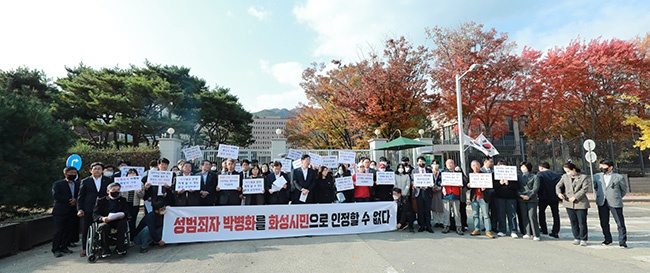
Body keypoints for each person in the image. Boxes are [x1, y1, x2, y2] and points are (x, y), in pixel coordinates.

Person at [77, 162, 112, 257]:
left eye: (99, 168)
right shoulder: (85, 181)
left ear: (102, 171)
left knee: (103, 227)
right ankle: (85, 248)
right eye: (95, 168)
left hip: (103, 208)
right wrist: (80, 209)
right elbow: (80, 197)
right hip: (88, 208)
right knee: (85, 229)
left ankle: (104, 246)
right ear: (91, 171)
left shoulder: (108, 180)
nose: (97, 170)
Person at [593, 159, 628, 248]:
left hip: (615, 201)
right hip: (602, 201)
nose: (601, 168)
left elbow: (623, 190)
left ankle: (622, 241)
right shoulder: (597, 176)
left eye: (603, 166)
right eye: (600, 166)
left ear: (610, 167)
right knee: (604, 221)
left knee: (620, 222)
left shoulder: (618, 177)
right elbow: (596, 188)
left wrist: (616, 196)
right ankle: (607, 239)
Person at [556, 162, 590, 246]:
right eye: (566, 171)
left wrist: (575, 197)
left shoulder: (583, 177)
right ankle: (576, 237)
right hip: (568, 202)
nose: (567, 173)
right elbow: (558, 186)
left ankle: (583, 238)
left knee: (582, 222)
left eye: (568, 171)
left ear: (573, 169)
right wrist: (559, 193)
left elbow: (584, 189)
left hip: (580, 203)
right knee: (573, 221)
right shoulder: (564, 177)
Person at [93, 182, 130, 257]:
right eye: (113, 190)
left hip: (118, 220)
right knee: (104, 227)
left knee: (122, 224)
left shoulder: (122, 200)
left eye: (118, 190)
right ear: (108, 191)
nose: (116, 192)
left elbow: (127, 211)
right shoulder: (101, 201)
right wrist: (102, 218)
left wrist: (123, 214)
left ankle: (120, 247)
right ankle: (105, 249)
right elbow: (95, 214)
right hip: (106, 220)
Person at [51, 167, 80, 257]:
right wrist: (69, 200)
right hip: (61, 210)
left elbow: (80, 194)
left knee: (69, 230)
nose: (73, 174)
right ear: (65, 174)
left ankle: (64, 246)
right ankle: (56, 249)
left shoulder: (78, 184)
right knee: (59, 230)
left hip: (73, 210)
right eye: (71, 172)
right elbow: (56, 195)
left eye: (74, 173)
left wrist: (76, 201)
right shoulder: (58, 184)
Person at [493, 160, 519, 238]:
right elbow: (493, 185)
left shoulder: (512, 174)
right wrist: (499, 183)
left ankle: (513, 230)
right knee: (501, 214)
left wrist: (509, 184)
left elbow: (517, 185)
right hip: (499, 197)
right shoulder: (494, 175)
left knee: (512, 214)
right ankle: (502, 230)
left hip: (511, 197)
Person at [468, 160, 494, 239]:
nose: (475, 167)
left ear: (480, 166)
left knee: (486, 215)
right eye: (473, 165)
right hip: (474, 197)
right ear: (471, 167)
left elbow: (490, 186)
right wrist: (468, 185)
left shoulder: (485, 175)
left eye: (477, 165)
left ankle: (488, 230)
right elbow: (465, 184)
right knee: (475, 215)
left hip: (483, 197)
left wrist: (485, 188)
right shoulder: (471, 176)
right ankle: (477, 229)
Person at [537, 162, 562, 238]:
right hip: (554, 197)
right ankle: (555, 231)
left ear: (541, 167)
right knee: (555, 214)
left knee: (541, 213)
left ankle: (544, 229)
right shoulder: (557, 175)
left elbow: (538, 186)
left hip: (543, 197)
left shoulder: (540, 175)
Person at [119, 168, 145, 244]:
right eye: (130, 173)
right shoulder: (122, 182)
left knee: (132, 221)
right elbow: (119, 194)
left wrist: (139, 192)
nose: (132, 175)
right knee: (123, 221)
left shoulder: (140, 183)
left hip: (134, 204)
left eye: (134, 173)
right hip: (124, 204)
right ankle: (123, 238)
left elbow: (141, 196)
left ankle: (132, 238)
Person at [441, 159, 466, 235]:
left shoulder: (458, 173)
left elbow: (464, 181)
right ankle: (446, 226)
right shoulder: (443, 173)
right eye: (448, 163)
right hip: (446, 195)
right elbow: (438, 181)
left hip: (456, 194)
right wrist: (441, 183)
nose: (450, 164)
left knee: (457, 212)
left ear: (454, 164)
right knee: (446, 212)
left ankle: (458, 227)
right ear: (445, 164)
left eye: (451, 163)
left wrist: (461, 173)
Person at [518, 161, 541, 241]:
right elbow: (517, 187)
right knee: (524, 216)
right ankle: (527, 232)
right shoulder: (519, 176)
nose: (522, 168)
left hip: (532, 199)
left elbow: (535, 188)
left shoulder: (535, 177)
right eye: (521, 167)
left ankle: (536, 234)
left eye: (524, 167)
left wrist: (529, 196)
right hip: (521, 198)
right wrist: (520, 195)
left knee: (532, 216)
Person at [412, 156, 434, 233]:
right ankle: (421, 225)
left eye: (423, 161)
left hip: (427, 191)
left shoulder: (429, 171)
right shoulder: (414, 171)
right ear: (417, 163)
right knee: (420, 210)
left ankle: (428, 226)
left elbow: (432, 180)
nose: (422, 162)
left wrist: (431, 184)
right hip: (419, 192)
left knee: (427, 210)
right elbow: (412, 180)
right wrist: (414, 184)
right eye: (420, 161)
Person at [481, 157, 498, 233]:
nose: (491, 163)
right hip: (484, 193)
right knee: (485, 211)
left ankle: (494, 226)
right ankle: (486, 226)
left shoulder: (494, 171)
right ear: (485, 161)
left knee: (494, 210)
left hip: (493, 193)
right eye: (490, 161)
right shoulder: (480, 171)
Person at [430, 161, 444, 228]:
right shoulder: (429, 172)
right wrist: (432, 188)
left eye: (436, 164)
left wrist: (439, 188)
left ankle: (441, 221)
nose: (435, 165)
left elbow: (443, 181)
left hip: (440, 191)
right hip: (432, 191)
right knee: (433, 206)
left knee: (440, 206)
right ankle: (436, 221)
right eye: (433, 164)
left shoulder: (441, 172)